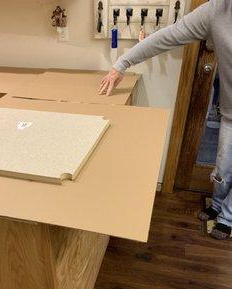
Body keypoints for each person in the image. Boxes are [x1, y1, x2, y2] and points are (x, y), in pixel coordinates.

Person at [99, 0, 232, 240]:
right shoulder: (217, 10)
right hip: (230, 113)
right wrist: (121, 65)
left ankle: (227, 217)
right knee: (223, 166)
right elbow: (167, 36)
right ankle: (218, 205)